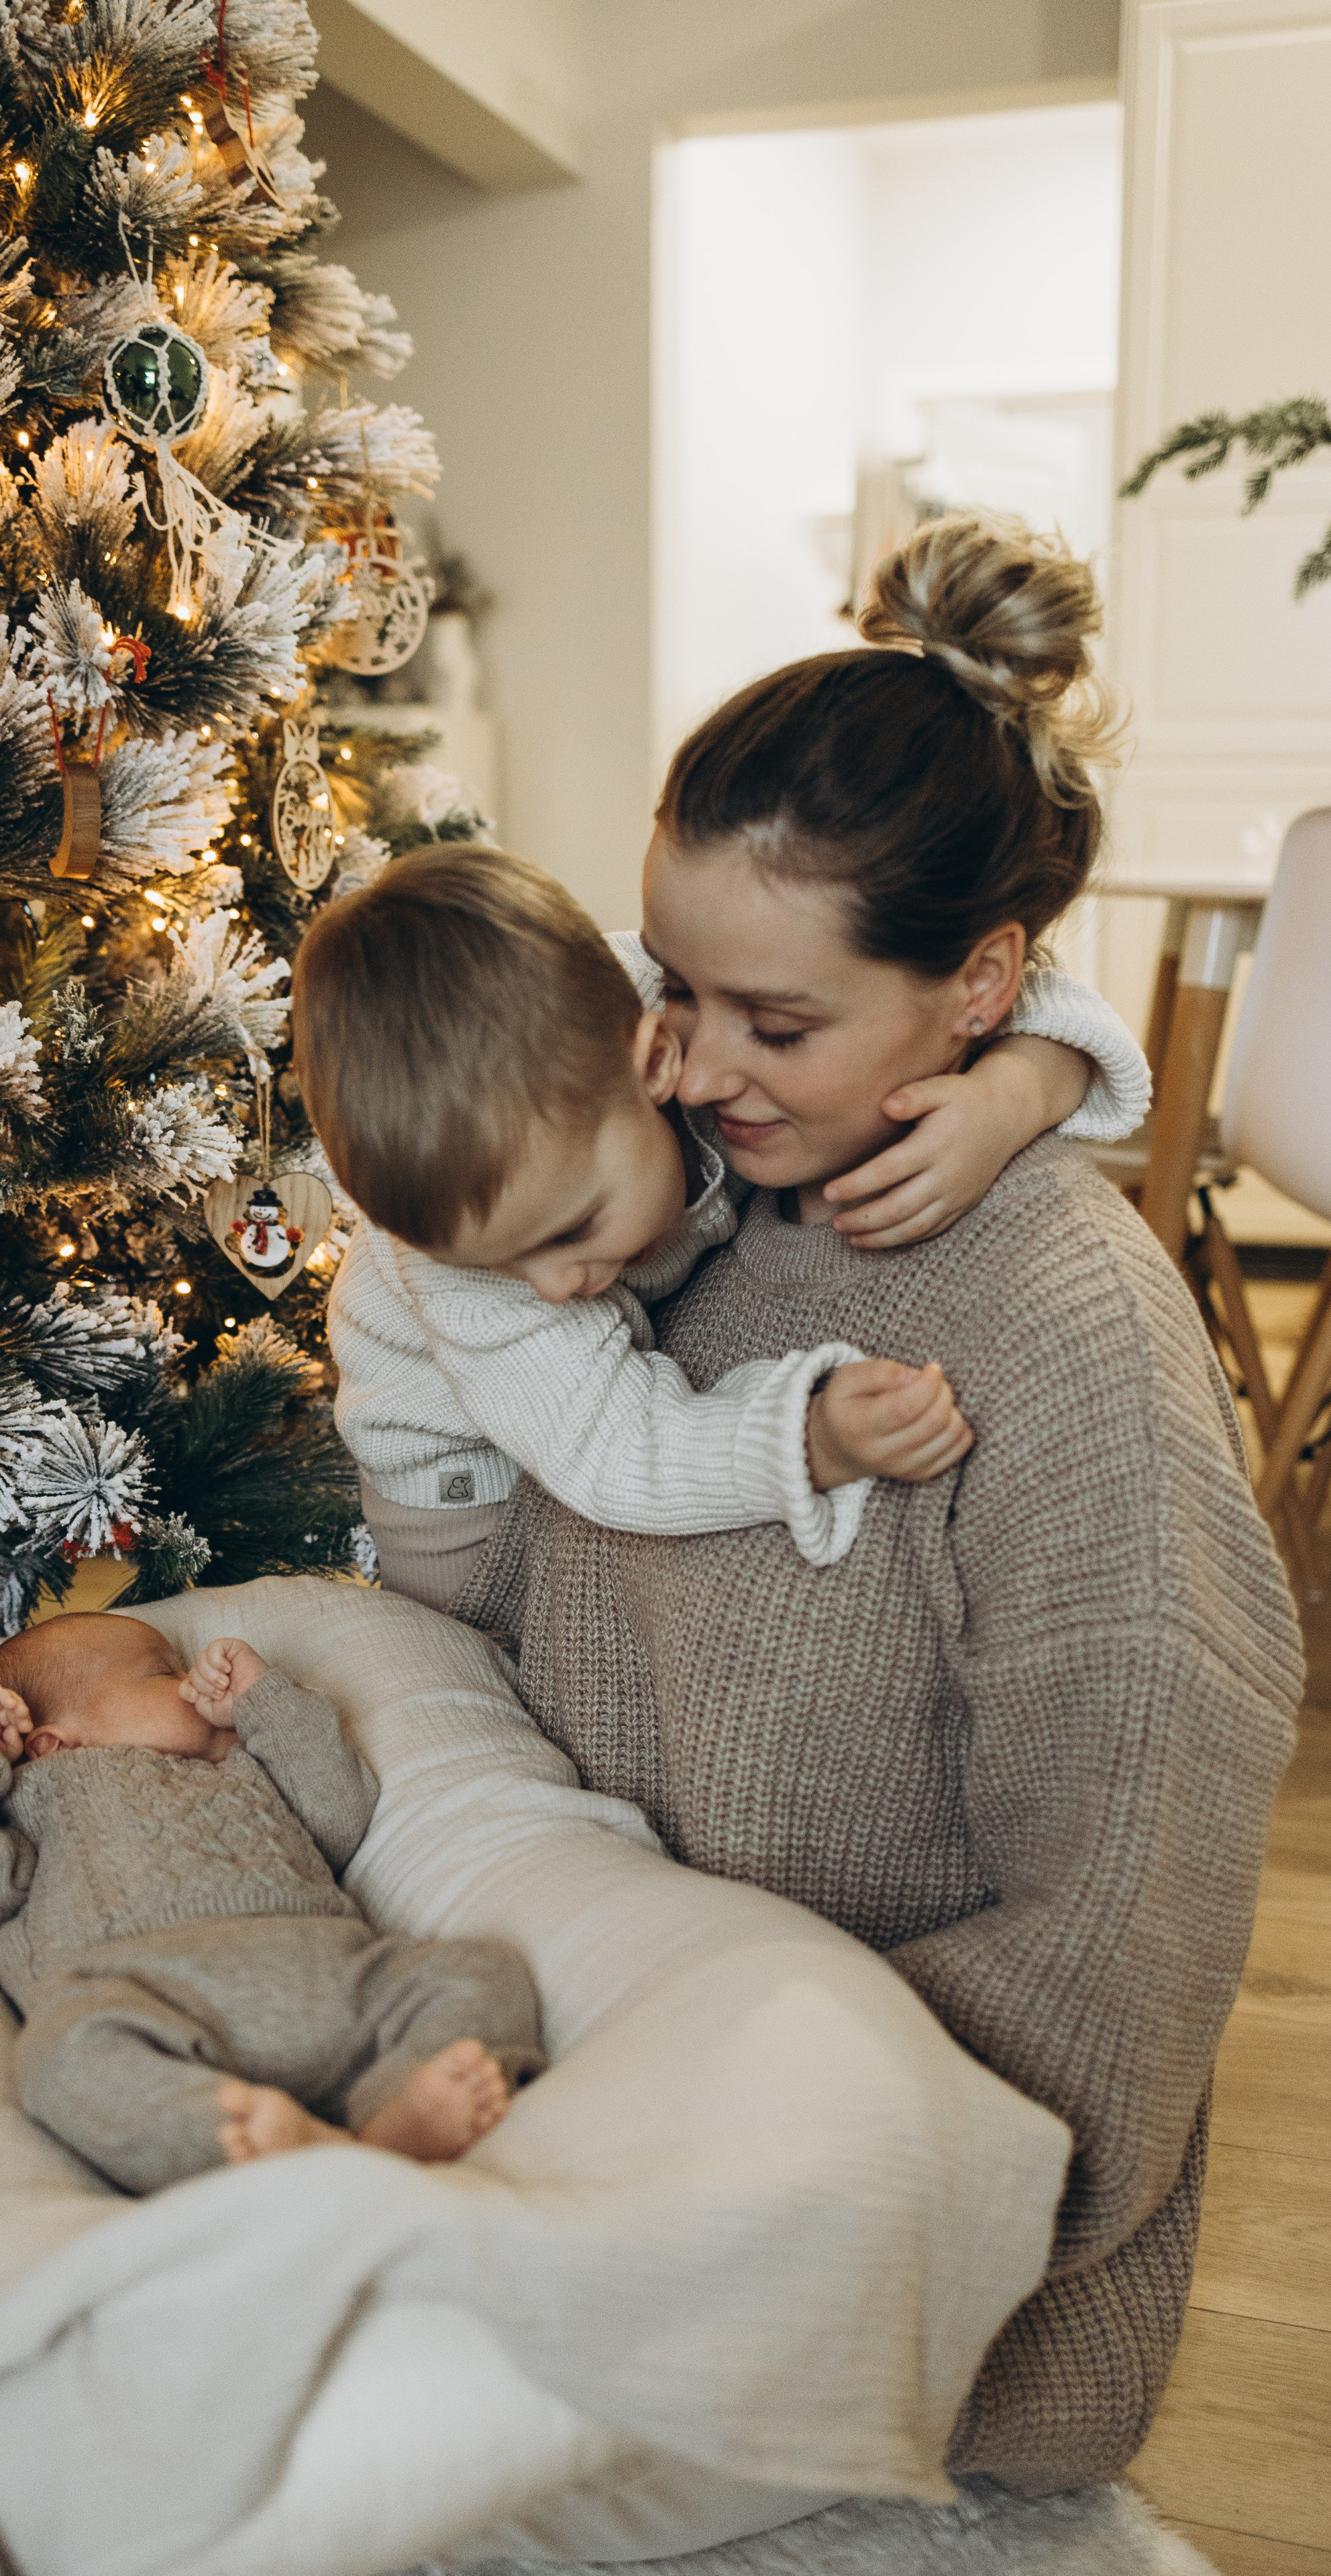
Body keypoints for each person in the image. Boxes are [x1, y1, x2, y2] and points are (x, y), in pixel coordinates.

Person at [451, 514, 1303, 2494]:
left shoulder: (1065, 1328)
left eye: (780, 1022)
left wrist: (823, 2184)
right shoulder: (683, 1178)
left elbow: (1127, 1894)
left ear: (980, 985)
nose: (692, 1061)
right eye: (678, 982)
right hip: (592, 2043)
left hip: (881, 2234)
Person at [295, 846, 1147, 1611]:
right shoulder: (469, 1284)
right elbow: (618, 1453)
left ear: (658, 1063)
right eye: (503, 1263)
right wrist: (811, 1436)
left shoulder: (654, 1010)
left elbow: (1035, 988)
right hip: (467, 1516)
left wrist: (1013, 1094)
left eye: (572, 1228)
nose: (553, 1287)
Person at [0, 1611, 543, 2186]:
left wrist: (264, 1701)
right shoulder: (32, 1802)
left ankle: (391, 2108)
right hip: (149, 2003)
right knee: (57, 2058)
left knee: (482, 1968)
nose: (192, 1681)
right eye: (161, 1674)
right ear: (52, 1743)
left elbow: (340, 1814)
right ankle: (228, 2136)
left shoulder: (246, 1766)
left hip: (337, 1980)